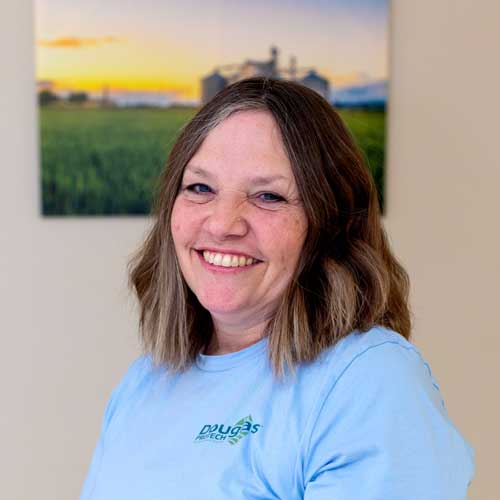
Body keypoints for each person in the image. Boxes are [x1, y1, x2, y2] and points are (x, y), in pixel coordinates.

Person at [80, 77, 475, 499]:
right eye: (200, 188)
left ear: (329, 223)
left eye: (268, 196)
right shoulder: (144, 382)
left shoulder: (369, 380)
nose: (222, 223)